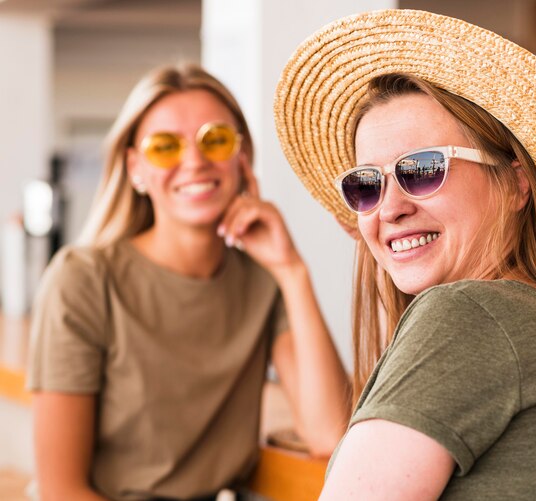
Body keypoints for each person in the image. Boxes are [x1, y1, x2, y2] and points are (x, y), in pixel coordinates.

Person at [274, 9, 536, 500]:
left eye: (422, 169)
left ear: (516, 182)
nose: (391, 207)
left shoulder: (471, 317)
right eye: (367, 184)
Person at [27, 63, 350, 501]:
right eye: (165, 147)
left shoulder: (264, 282)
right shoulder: (83, 280)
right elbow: (61, 491)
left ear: (242, 158)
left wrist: (291, 271)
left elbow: (329, 436)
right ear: (135, 168)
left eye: (213, 140)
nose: (194, 161)